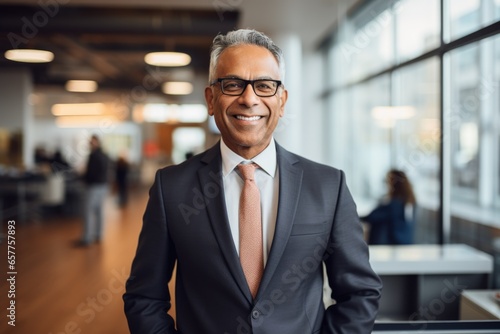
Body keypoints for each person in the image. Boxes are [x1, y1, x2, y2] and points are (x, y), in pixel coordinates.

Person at [123, 29, 382, 333]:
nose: (249, 99)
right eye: (232, 85)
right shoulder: (172, 188)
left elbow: (359, 293)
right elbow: (144, 297)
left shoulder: (328, 186)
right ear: (211, 98)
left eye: (264, 86)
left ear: (281, 100)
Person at [360, 169, 416, 245]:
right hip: (404, 244)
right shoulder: (410, 202)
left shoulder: (393, 204)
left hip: (388, 247)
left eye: (387, 181)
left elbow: (371, 217)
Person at [79, 134, 109, 246]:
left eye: (92, 142)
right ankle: (98, 234)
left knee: (88, 211)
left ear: (97, 142)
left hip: (94, 186)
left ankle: (87, 237)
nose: (90, 144)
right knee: (99, 211)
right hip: (103, 186)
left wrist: (83, 177)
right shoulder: (104, 155)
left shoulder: (94, 156)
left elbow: (91, 173)